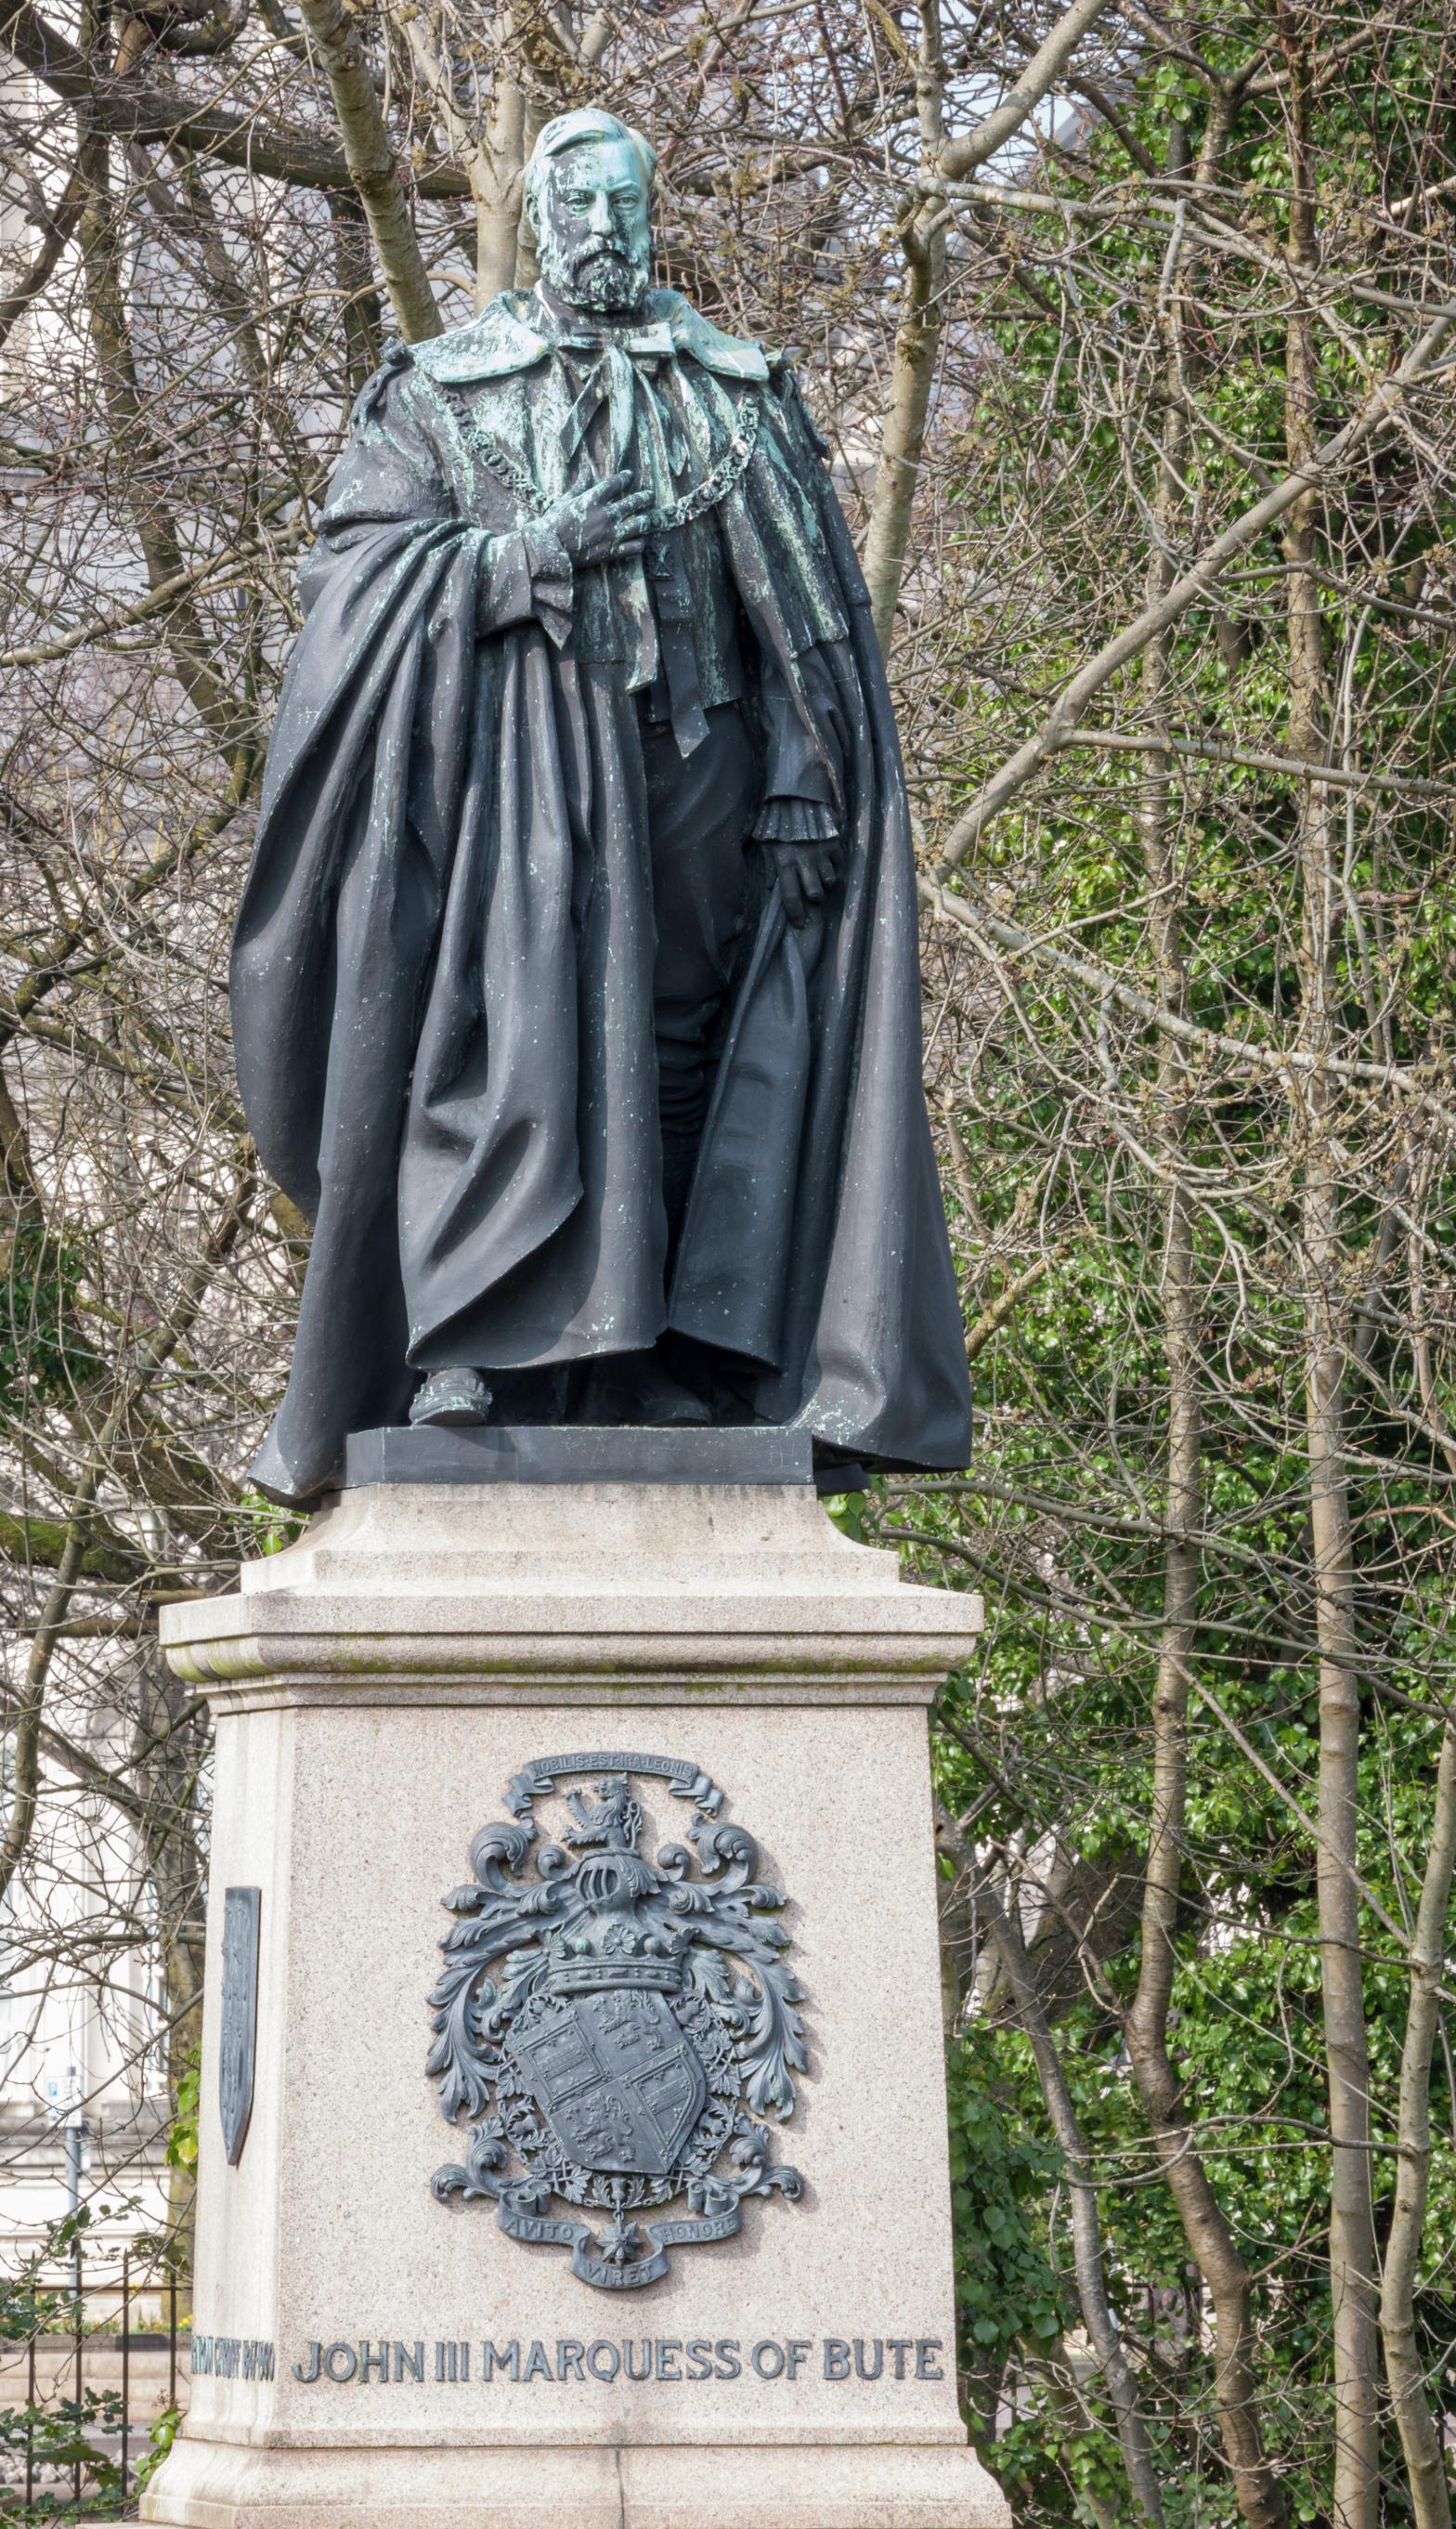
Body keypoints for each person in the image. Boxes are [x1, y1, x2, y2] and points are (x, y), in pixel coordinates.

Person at [230, 107, 969, 1504]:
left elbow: (810, 623)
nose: (606, 240)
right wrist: (518, 561)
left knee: (681, 1049)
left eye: (628, 213)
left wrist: (809, 778)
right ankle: (473, 1343)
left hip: (705, 775)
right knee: (496, 1044)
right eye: (579, 215)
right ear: (535, 219)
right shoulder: (442, 392)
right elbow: (348, 595)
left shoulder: (736, 391)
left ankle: (662, 1349)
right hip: (514, 784)